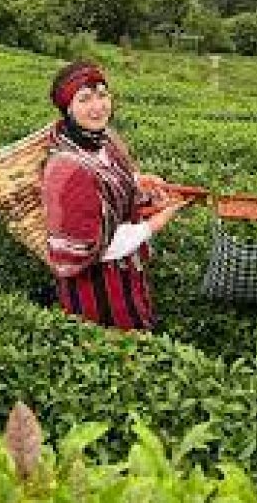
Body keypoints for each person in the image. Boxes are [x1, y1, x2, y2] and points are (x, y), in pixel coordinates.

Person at [41, 60, 189, 331]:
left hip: (126, 275)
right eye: (85, 99)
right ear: (68, 109)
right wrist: (154, 224)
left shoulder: (103, 141)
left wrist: (138, 183)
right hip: (94, 291)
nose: (98, 106)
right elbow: (91, 248)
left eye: (102, 94)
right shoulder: (65, 168)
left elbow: (104, 181)